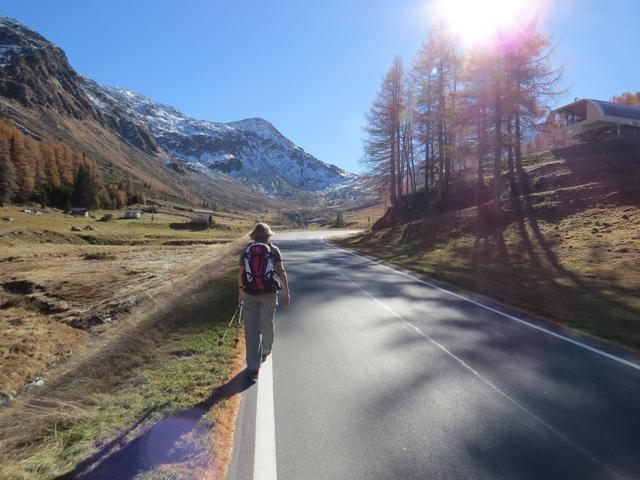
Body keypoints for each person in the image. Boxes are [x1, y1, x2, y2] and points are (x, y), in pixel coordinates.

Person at [238, 223, 290, 379]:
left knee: (251, 329)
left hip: (249, 293)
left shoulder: (246, 250)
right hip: (269, 292)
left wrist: (240, 291)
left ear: (253, 235)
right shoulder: (274, 250)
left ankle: (253, 366)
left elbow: (240, 273)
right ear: (269, 235)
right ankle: (266, 350)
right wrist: (287, 292)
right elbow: (281, 271)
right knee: (267, 321)